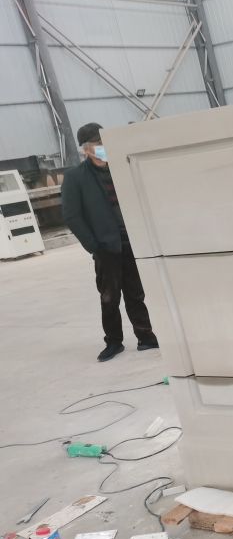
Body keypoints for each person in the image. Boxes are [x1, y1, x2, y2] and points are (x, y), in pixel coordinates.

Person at [62, 122, 158, 362]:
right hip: (105, 247)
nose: (103, 147)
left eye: (105, 141)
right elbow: (72, 216)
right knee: (109, 298)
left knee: (136, 293)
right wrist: (93, 246)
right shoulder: (76, 177)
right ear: (86, 149)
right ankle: (114, 342)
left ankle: (145, 336)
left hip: (131, 241)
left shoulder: (121, 169)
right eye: (98, 143)